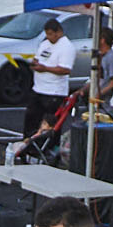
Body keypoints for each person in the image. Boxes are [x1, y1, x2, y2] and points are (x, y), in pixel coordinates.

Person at [25, 13, 78, 147]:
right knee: (32, 119)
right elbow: (38, 58)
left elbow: (65, 69)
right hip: (38, 88)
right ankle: (30, 146)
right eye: (47, 34)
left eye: (50, 34)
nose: (49, 37)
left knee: (51, 124)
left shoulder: (66, 47)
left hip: (54, 92)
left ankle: (50, 149)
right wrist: (35, 64)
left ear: (58, 32)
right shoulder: (45, 44)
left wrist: (45, 68)